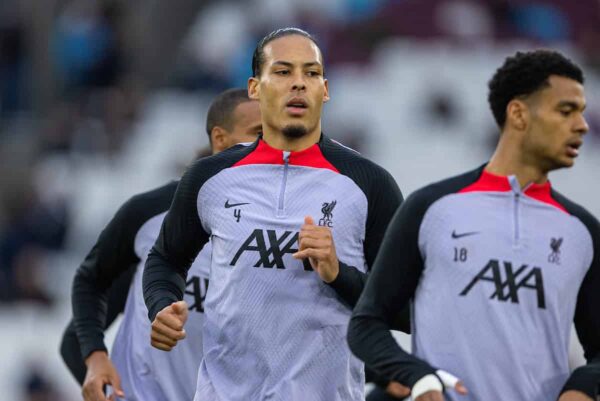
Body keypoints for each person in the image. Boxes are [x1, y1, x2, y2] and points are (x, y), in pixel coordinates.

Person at [142, 27, 403, 401]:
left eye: (311, 73)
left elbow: (407, 311)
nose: (299, 84)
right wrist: (162, 305)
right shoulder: (209, 177)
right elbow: (165, 259)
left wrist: (338, 274)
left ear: (325, 90)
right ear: (254, 88)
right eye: (283, 72)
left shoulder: (369, 185)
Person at [348, 49, 600, 401]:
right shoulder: (431, 208)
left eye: (582, 113)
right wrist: (418, 377)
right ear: (518, 114)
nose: (582, 125)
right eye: (566, 111)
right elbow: (366, 324)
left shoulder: (583, 231)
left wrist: (583, 385)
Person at [60, 88, 262, 401]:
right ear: (220, 140)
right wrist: (100, 368)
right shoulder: (150, 218)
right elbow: (81, 318)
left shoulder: (284, 228)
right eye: (260, 133)